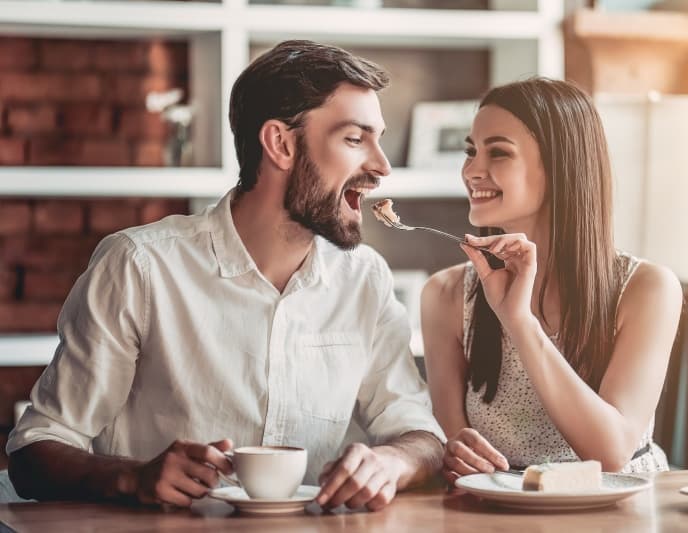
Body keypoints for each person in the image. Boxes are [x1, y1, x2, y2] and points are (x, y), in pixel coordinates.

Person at [7, 40, 444, 511]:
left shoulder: (365, 279)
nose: (381, 166)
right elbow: (34, 453)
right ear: (280, 143)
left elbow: (419, 432)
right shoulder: (140, 266)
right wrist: (133, 477)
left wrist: (390, 463)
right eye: (356, 139)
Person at [421, 77, 683, 485]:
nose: (472, 170)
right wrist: (452, 453)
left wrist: (520, 321)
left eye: (499, 153)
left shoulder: (647, 289)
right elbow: (456, 451)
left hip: (618, 511)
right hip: (495, 512)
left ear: (561, 166)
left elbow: (610, 452)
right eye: (471, 151)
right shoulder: (446, 295)